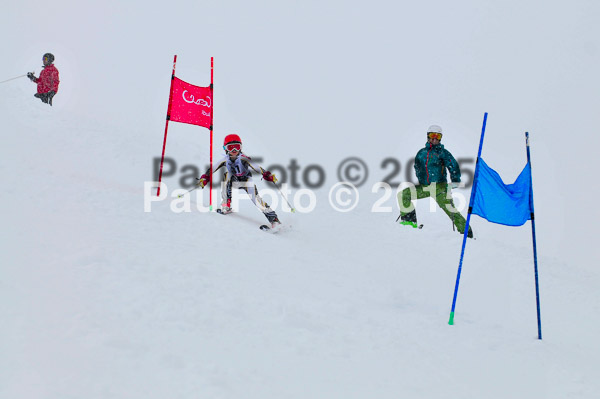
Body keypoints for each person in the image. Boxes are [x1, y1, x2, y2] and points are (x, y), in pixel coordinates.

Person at [397, 125, 473, 238]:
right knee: (404, 194)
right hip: (425, 187)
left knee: (450, 210)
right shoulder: (421, 153)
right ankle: (409, 223)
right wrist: (421, 180)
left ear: (440, 138)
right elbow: (417, 167)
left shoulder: (443, 153)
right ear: (428, 137)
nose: (434, 139)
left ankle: (467, 233)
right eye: (432, 136)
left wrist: (455, 181)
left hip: (440, 188)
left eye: (437, 136)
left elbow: (453, 166)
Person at [196, 134, 282, 227]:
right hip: (233, 181)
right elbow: (212, 169)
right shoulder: (225, 160)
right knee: (226, 176)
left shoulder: (244, 158)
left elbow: (257, 167)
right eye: (231, 148)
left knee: (256, 200)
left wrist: (267, 174)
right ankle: (226, 205)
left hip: (246, 181)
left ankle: (274, 220)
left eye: (237, 147)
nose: (234, 151)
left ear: (240, 148)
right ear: (225, 149)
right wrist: (205, 178)